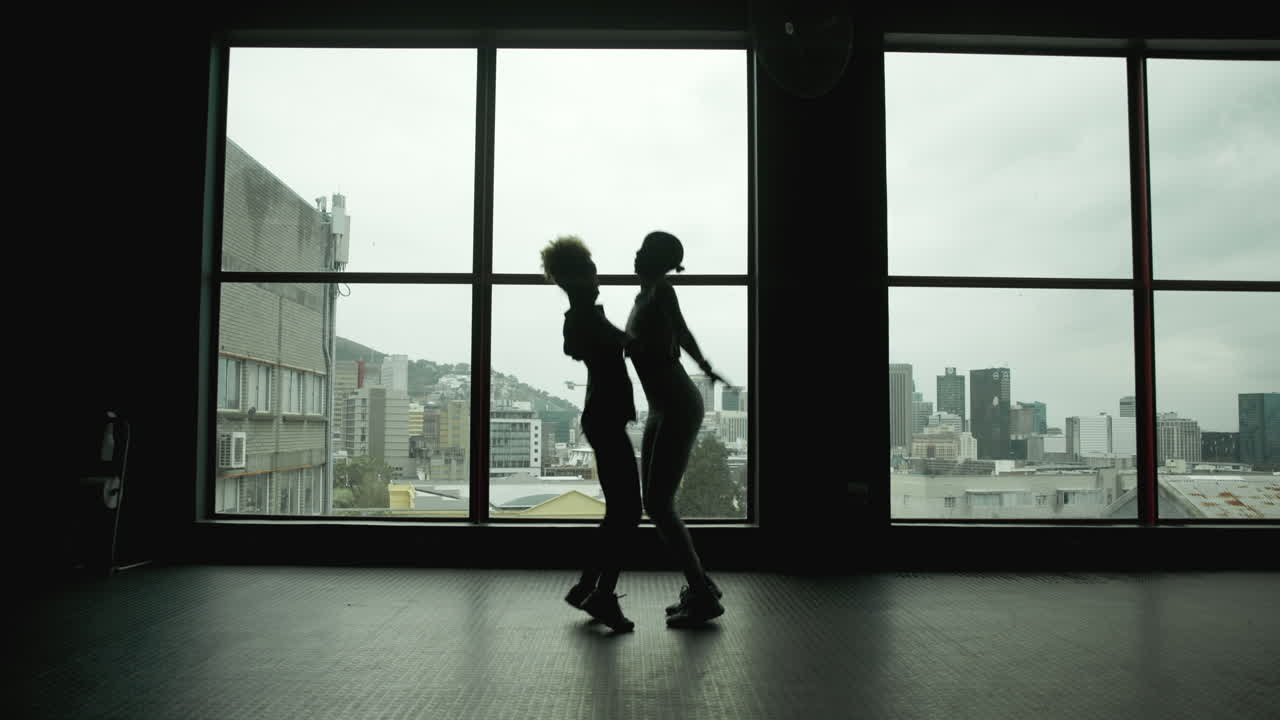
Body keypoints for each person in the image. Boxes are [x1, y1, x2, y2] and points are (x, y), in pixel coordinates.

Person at [625, 230, 726, 628]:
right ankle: (702, 586)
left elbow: (681, 333)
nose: (635, 255)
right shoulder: (644, 296)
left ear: (659, 262)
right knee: (655, 503)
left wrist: (703, 365)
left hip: (678, 406)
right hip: (660, 407)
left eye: (644, 251)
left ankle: (702, 594)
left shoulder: (662, 291)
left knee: (660, 505)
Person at [541, 235, 641, 633]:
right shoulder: (584, 318)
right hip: (604, 416)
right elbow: (611, 343)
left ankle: (588, 586)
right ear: (580, 275)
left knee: (620, 512)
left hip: (601, 416)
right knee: (627, 513)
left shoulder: (584, 316)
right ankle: (600, 594)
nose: (598, 273)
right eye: (591, 267)